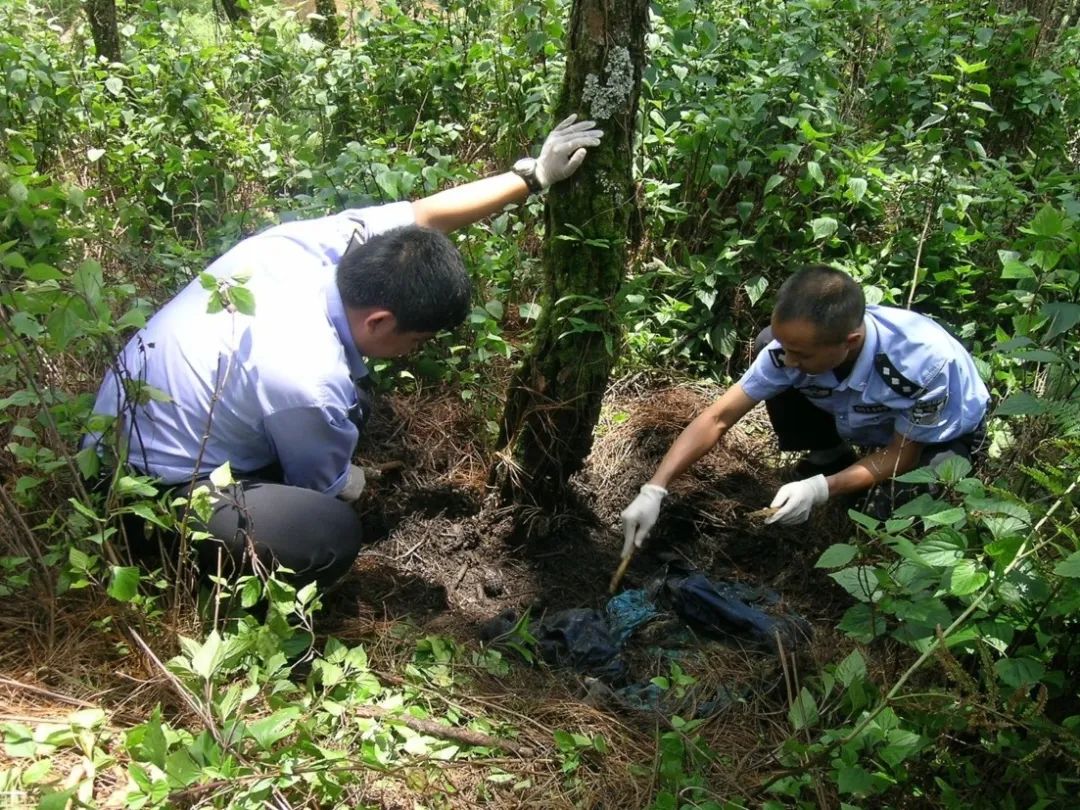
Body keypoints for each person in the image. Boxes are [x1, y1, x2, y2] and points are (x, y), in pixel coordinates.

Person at [89, 115, 603, 588]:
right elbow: (326, 486)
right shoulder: (310, 376)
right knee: (327, 532)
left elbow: (423, 216)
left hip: (134, 431)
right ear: (379, 320)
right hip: (147, 493)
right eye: (415, 341)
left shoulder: (310, 246)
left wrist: (533, 177)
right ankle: (181, 566)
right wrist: (357, 481)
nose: (410, 354)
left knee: (350, 412)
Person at [620, 265, 990, 559]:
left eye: (802, 354)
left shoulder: (923, 366)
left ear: (851, 343)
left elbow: (900, 456)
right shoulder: (791, 351)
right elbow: (719, 417)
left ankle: (842, 480)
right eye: (787, 348)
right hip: (867, 422)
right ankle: (830, 456)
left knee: (893, 522)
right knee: (777, 360)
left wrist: (819, 489)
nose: (789, 361)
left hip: (935, 437)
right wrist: (656, 487)